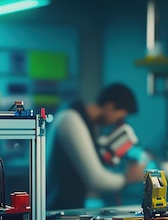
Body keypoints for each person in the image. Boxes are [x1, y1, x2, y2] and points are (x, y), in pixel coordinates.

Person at [46, 82, 145, 210]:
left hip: (69, 209)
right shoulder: (70, 119)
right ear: (109, 106)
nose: (117, 123)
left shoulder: (78, 119)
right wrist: (127, 178)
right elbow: (96, 179)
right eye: (119, 117)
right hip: (59, 210)